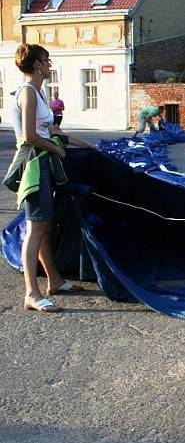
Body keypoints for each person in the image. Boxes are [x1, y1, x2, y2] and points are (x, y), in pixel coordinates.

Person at [3, 44, 94, 313]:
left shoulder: (40, 93)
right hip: (33, 164)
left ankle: (54, 280)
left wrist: (85, 144)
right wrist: (57, 150)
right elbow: (31, 136)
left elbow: (52, 130)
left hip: (43, 162)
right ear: (36, 65)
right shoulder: (28, 93)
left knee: (44, 223)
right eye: (46, 60)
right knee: (36, 228)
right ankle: (31, 293)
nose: (50, 63)